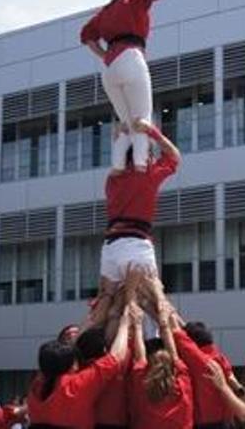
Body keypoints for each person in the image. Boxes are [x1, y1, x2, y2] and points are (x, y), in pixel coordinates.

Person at [80, 0, 191, 173]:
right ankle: (141, 167)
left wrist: (103, 55)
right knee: (142, 120)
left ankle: (119, 167)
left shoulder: (106, 11)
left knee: (128, 125)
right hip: (131, 57)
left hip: (109, 68)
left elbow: (86, 35)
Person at [86, 120, 181, 340]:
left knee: (108, 306)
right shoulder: (148, 175)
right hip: (136, 245)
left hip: (110, 247)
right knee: (158, 306)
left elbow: (119, 160)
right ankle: (178, 355)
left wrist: (122, 136)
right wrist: (152, 132)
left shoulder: (112, 179)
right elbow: (175, 157)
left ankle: (85, 354)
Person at [27, 291, 135, 429]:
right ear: (72, 365)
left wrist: (101, 304)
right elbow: (116, 357)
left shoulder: (37, 385)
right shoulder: (74, 386)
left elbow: (69, 348)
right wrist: (125, 323)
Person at [128, 304, 193, 429]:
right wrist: (164, 324)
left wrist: (137, 326)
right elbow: (174, 355)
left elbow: (140, 356)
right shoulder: (182, 383)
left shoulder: (142, 382)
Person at [170, 312, 237, 429]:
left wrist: (166, 312)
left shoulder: (198, 359)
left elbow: (178, 333)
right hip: (226, 419)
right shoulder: (218, 356)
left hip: (208, 422)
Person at [74, 327, 129, 429]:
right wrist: (124, 323)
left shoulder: (75, 371)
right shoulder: (111, 366)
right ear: (104, 349)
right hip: (115, 422)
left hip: (89, 422)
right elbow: (118, 354)